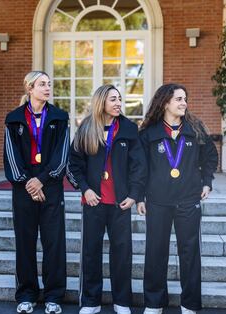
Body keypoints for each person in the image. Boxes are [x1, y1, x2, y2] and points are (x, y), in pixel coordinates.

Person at [137, 83, 218, 314]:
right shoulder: (148, 134)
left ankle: (189, 305)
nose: (184, 103)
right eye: (179, 99)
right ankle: (153, 304)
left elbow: (210, 157)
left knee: (190, 253)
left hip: (188, 200)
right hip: (157, 201)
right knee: (155, 253)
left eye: (185, 99)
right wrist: (140, 196)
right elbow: (140, 168)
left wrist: (207, 181)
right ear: (165, 103)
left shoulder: (195, 129)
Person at [67, 85, 147, 314]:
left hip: (120, 203)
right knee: (91, 252)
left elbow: (139, 166)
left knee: (122, 253)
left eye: (120, 99)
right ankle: (91, 302)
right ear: (101, 102)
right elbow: (73, 165)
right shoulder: (86, 129)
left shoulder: (130, 129)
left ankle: (122, 302)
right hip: (93, 202)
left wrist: (134, 195)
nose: (118, 103)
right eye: (113, 99)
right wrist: (85, 190)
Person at [4, 71, 69, 314]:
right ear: (30, 88)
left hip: (51, 189)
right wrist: (28, 183)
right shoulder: (13, 119)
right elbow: (11, 158)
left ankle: (53, 296)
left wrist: (41, 181)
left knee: (54, 244)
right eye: (42, 84)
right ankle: (26, 294)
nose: (47, 87)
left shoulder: (60, 118)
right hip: (23, 191)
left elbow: (61, 158)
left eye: (49, 84)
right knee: (25, 243)